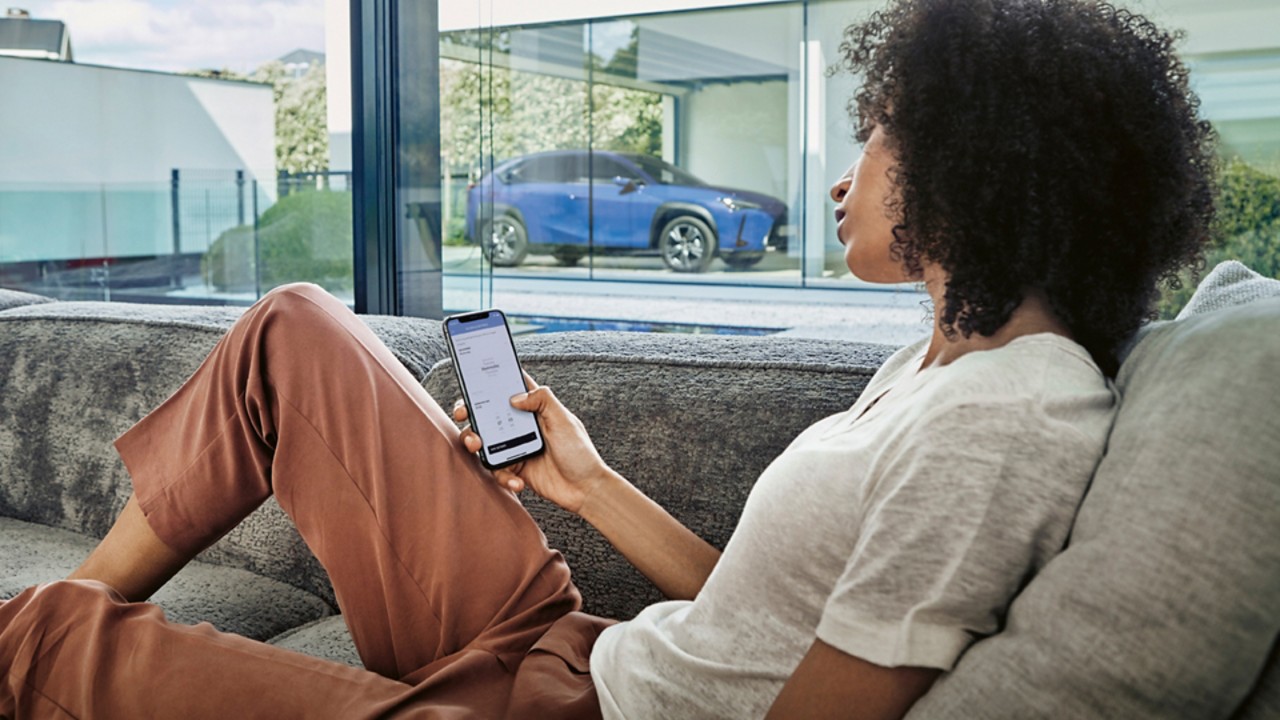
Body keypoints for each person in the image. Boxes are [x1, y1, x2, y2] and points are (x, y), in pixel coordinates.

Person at [0, 0, 1216, 717]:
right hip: (568, 647)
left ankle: (58, 625)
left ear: (982, 165)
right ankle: (102, 585)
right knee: (295, 329)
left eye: (879, 136)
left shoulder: (1010, 415)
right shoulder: (943, 365)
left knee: (40, 639)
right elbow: (753, 610)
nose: (847, 175)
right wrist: (579, 480)